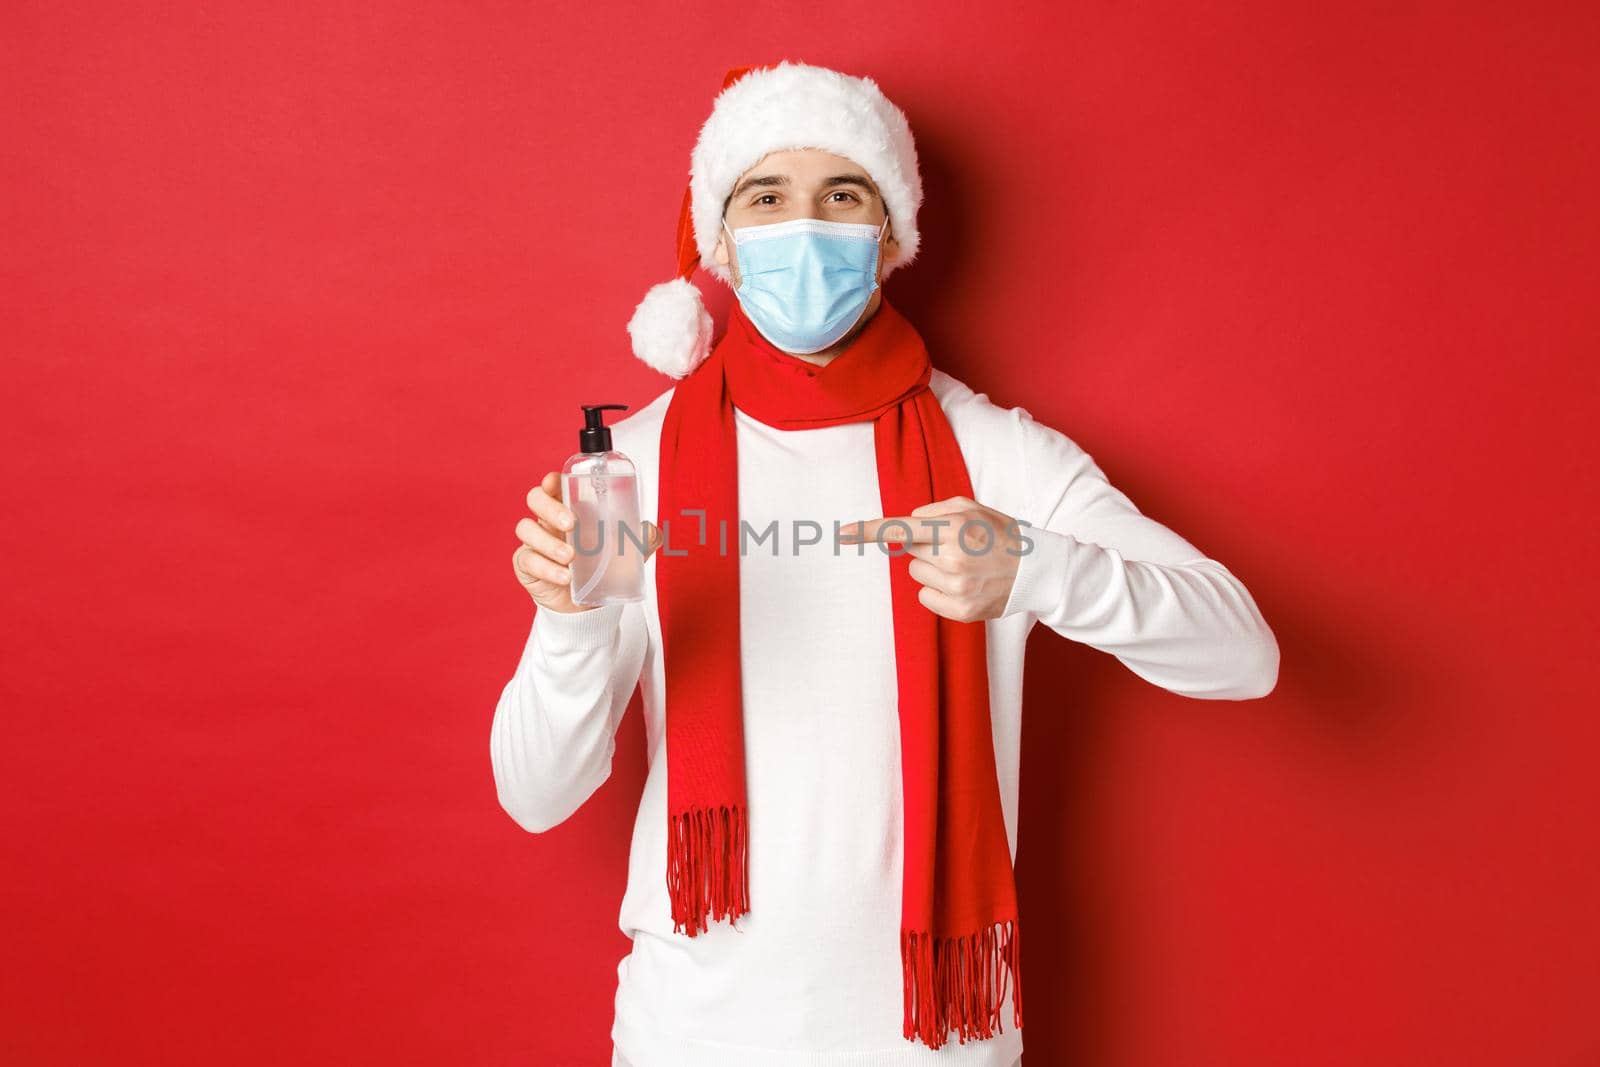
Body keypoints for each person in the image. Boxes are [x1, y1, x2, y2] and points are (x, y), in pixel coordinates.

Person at [492, 61, 1280, 1067]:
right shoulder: (629, 470)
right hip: (693, 1029)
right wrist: (569, 619)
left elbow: (1242, 651)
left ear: (891, 237)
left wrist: (1040, 569)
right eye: (766, 196)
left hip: (933, 1038)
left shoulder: (996, 454)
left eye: (843, 195)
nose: (804, 227)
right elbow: (536, 791)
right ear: (722, 241)